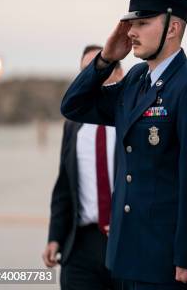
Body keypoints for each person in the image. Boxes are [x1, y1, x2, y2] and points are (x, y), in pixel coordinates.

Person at [61, 0, 187, 289]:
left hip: (168, 262)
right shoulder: (137, 79)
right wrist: (105, 59)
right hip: (127, 256)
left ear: (173, 28)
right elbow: (74, 106)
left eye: (142, 23)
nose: (131, 32)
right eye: (130, 24)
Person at [43, 45, 124, 290]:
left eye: (100, 70)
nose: (93, 78)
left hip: (124, 240)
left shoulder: (131, 118)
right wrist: (55, 237)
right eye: (86, 72)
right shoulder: (73, 126)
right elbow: (65, 186)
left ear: (119, 74)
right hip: (81, 244)